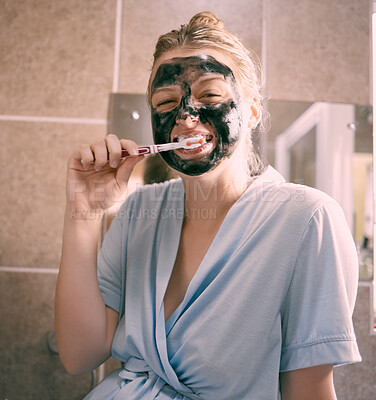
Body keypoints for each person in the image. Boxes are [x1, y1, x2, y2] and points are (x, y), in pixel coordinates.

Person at [55, 11, 361, 400]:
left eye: (211, 95)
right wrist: (82, 215)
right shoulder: (138, 211)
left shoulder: (308, 219)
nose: (185, 116)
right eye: (166, 102)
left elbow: (309, 392)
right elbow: (79, 355)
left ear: (251, 111)